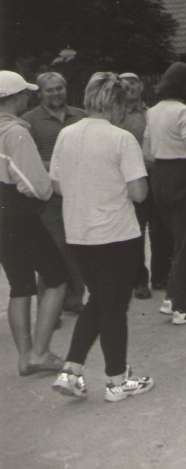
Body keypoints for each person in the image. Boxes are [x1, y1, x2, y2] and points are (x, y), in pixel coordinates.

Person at [50, 72, 154, 402]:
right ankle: (117, 380)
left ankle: (71, 371)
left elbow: (56, 185)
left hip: (79, 232)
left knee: (99, 301)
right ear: (118, 104)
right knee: (113, 308)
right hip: (116, 234)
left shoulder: (66, 134)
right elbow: (138, 193)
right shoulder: (121, 138)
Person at [0, 71, 69, 377]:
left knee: (20, 286)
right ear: (14, 98)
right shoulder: (15, 132)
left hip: (2, 219)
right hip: (20, 215)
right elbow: (34, 184)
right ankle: (40, 353)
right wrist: (52, 188)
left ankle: (25, 356)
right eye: (24, 94)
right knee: (57, 277)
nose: (27, 98)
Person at [142, 62, 186, 325]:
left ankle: (172, 298)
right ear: (185, 84)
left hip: (160, 176)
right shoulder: (185, 111)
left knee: (178, 241)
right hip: (185, 178)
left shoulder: (154, 111)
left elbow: (147, 154)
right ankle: (183, 308)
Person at [22, 71, 87, 315]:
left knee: (78, 248)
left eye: (59, 88)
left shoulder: (80, 115)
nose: (56, 93)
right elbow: (29, 159)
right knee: (54, 250)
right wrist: (60, 165)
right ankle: (49, 309)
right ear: (39, 94)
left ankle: (74, 299)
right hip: (49, 198)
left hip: (79, 194)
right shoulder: (30, 121)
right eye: (50, 90)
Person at [118, 72, 173, 300]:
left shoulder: (152, 113)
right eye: (124, 82)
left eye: (133, 81)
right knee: (135, 231)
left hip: (154, 178)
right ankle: (139, 280)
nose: (129, 85)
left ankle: (161, 275)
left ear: (141, 86)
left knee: (161, 228)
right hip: (129, 181)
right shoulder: (116, 117)